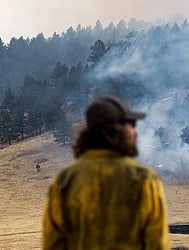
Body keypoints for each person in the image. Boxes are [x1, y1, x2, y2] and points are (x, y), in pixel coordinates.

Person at [42, 96, 169, 250]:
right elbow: (157, 243)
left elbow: (52, 243)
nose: (135, 130)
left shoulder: (64, 180)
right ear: (118, 129)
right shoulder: (143, 178)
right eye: (131, 124)